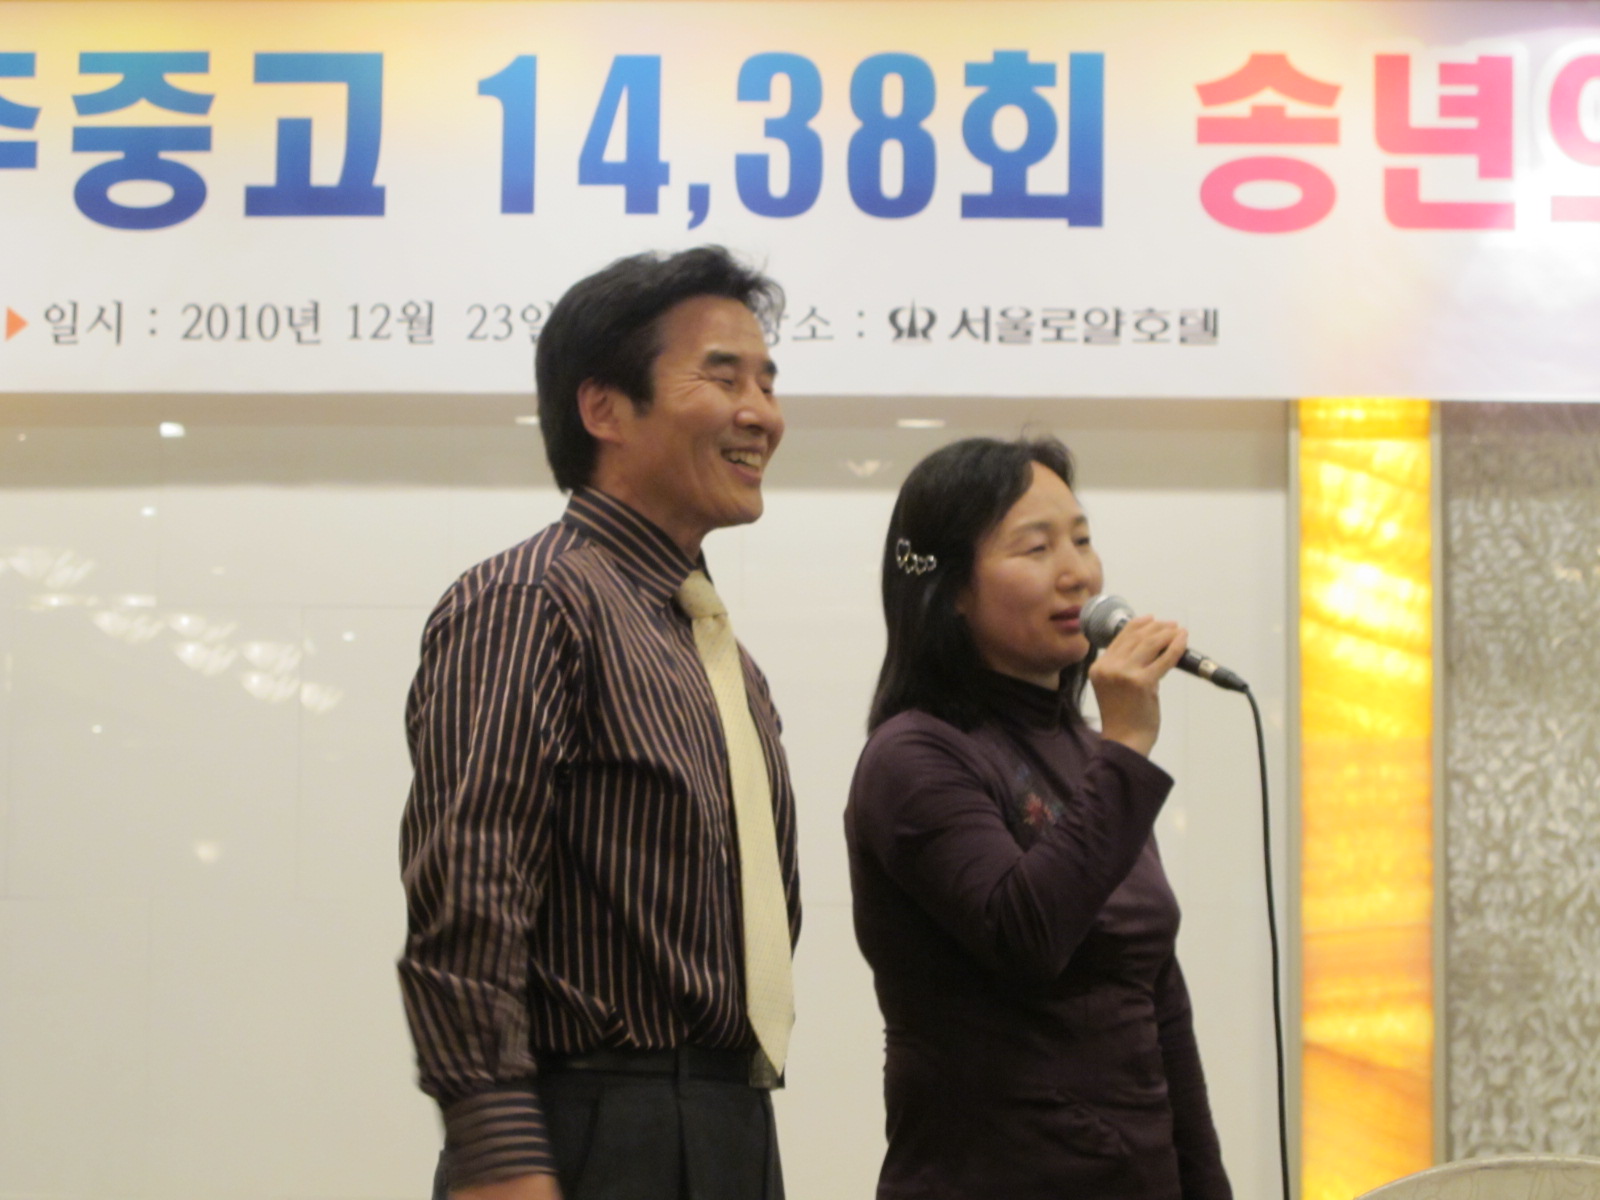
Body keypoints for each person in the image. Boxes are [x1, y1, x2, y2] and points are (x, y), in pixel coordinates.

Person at [399, 246, 799, 1200]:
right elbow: (470, 888)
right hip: (588, 1130)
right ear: (604, 409)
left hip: (731, 1121)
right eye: (723, 377)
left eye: (768, 381)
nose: (762, 413)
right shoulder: (533, 599)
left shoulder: (714, 649)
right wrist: (496, 1146)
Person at [844, 435, 1233, 1200]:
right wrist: (1127, 747)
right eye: (1036, 547)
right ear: (951, 589)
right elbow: (1026, 936)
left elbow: (1161, 1007)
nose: (1077, 573)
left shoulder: (1092, 753)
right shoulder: (915, 756)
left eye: (1081, 539)